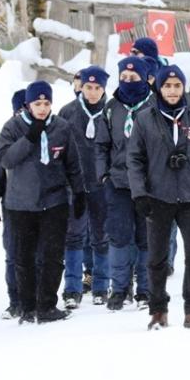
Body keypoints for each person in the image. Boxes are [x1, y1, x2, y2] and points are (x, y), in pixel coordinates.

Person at [128, 65, 190, 330]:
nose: (172, 91)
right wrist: (139, 193)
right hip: (158, 195)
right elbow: (134, 158)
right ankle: (158, 310)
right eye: (167, 85)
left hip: (189, 196)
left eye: (177, 86)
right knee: (157, 257)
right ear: (160, 88)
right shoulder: (144, 119)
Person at [0, 81, 88, 324]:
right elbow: (6, 160)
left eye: (46, 103)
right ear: (28, 104)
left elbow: (73, 164)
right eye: (38, 104)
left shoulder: (61, 127)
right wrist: (30, 137)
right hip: (20, 204)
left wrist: (79, 193)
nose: (43, 108)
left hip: (54, 201)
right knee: (23, 257)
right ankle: (27, 306)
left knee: (53, 256)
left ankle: (46, 305)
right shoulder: (12, 127)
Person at [96, 57, 155, 310]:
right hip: (118, 182)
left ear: (144, 78)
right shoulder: (111, 108)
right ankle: (119, 288)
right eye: (124, 78)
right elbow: (101, 145)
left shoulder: (154, 105)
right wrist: (104, 175)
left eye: (134, 78)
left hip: (149, 184)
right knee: (119, 237)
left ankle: (145, 289)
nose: (128, 82)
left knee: (146, 237)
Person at [58, 66, 110, 308]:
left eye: (97, 88)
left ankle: (101, 286)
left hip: (102, 185)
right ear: (81, 87)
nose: (92, 93)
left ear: (103, 88)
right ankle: (72, 288)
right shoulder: (68, 113)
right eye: (88, 87)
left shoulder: (111, 112)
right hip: (75, 186)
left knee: (101, 236)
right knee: (73, 236)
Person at [0, 89, 27, 319]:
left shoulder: (48, 130)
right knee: (13, 254)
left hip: (42, 205)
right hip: (12, 205)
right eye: (18, 110)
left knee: (40, 254)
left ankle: (38, 296)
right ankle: (15, 300)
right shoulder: (5, 135)